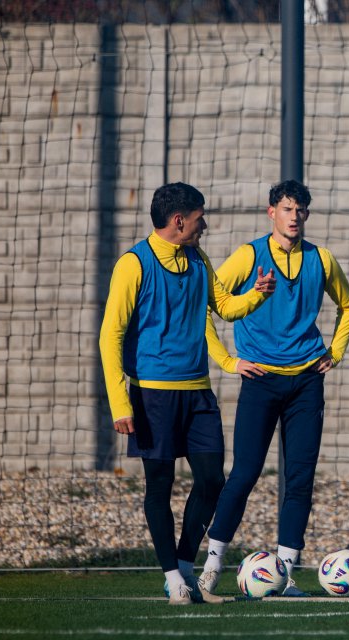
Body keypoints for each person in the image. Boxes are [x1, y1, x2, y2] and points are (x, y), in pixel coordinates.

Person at [99, 182, 276, 605]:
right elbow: (110, 336)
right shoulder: (133, 264)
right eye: (200, 218)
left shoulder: (198, 259)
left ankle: (183, 567)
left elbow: (224, 307)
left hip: (198, 393)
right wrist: (121, 405)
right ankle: (172, 578)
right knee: (159, 486)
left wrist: (256, 294)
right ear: (179, 221)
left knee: (212, 479)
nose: (205, 225)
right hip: (152, 395)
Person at [198, 179, 349, 598]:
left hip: (306, 382)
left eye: (300, 210)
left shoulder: (321, 259)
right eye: (287, 209)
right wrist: (228, 361)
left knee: (300, 478)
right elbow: (207, 304)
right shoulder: (249, 255)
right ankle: (212, 564)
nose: (294, 217)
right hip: (260, 381)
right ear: (271, 212)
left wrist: (335, 352)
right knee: (245, 474)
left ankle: (286, 575)